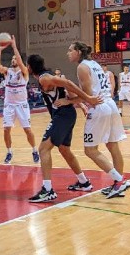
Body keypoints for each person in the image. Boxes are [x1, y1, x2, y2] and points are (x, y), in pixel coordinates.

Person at [26, 55, 101, 203]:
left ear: (30, 67)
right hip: (66, 114)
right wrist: (81, 104)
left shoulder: (44, 78)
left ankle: (47, 190)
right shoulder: (45, 77)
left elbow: (68, 83)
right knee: (64, 149)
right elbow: (67, 90)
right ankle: (84, 182)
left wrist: (87, 98)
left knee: (43, 149)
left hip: (63, 115)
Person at [68, 42, 130, 198]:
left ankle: (119, 180)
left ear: (78, 52)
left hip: (99, 107)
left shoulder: (82, 67)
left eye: (70, 50)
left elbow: (88, 95)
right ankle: (118, 184)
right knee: (112, 145)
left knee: (90, 150)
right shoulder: (95, 64)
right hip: (110, 104)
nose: (67, 53)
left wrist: (68, 101)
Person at [0, 36, 37, 164]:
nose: (13, 60)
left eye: (15, 58)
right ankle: (9, 152)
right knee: (6, 129)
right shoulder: (7, 72)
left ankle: (34, 150)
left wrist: (14, 46)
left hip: (22, 105)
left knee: (27, 130)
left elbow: (20, 61)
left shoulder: (24, 72)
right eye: (12, 59)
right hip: (9, 105)